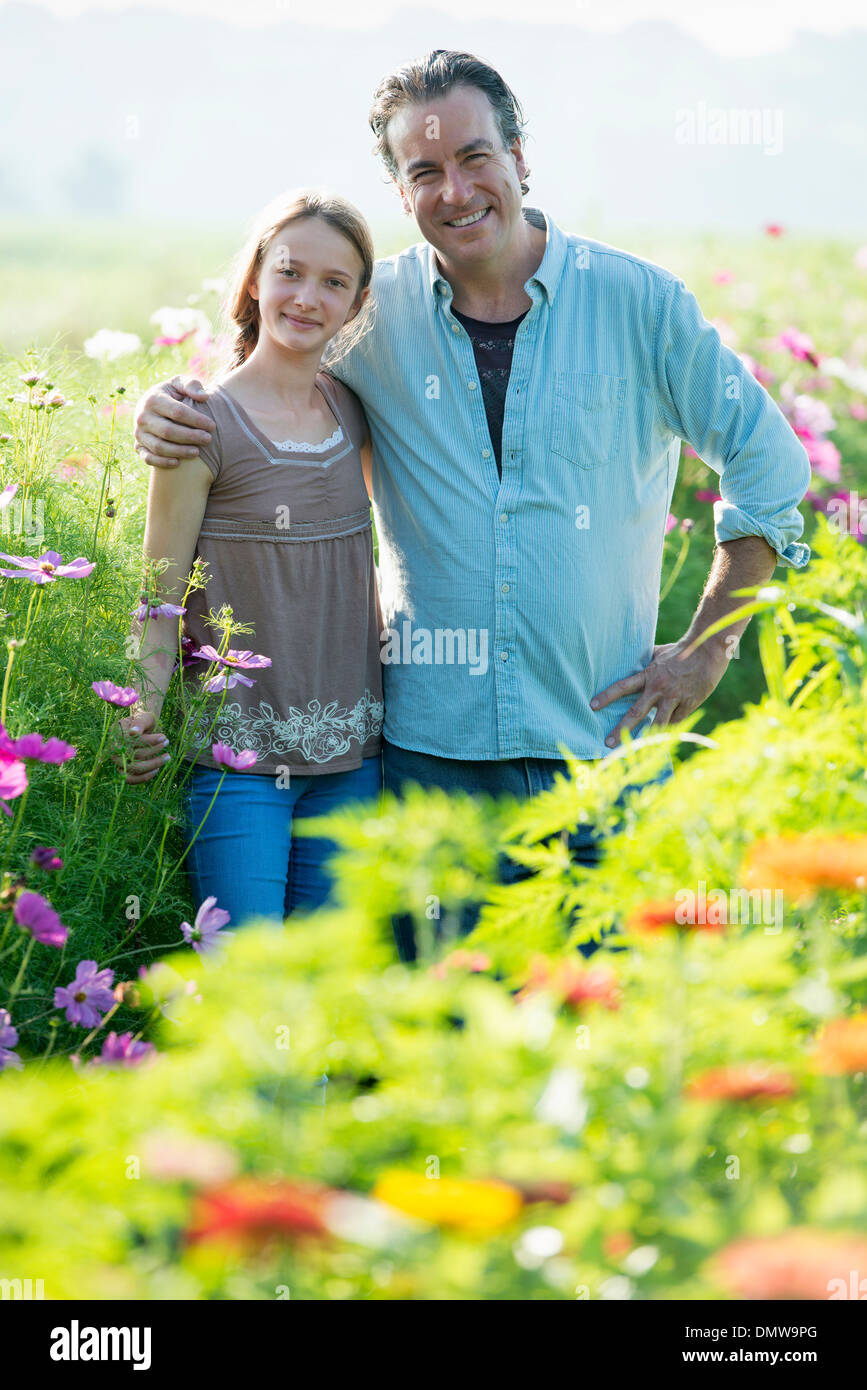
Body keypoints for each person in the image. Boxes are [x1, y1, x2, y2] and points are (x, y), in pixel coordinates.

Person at [133, 50, 811, 958]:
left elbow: (768, 465)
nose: (455, 189)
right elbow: (272, 376)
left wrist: (706, 650)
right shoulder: (374, 316)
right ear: (400, 191)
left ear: (521, 157)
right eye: (424, 171)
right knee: (441, 1046)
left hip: (600, 749)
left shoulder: (639, 304)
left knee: (602, 1034)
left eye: (474, 156)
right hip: (427, 768)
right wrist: (172, 406)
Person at [117, 189, 384, 929]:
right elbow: (159, 598)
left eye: (334, 283)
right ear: (254, 281)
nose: (306, 297)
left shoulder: (352, 414)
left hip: (354, 761)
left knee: (327, 979)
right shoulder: (198, 426)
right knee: (244, 981)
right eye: (290, 273)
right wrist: (141, 707)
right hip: (236, 764)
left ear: (357, 302)